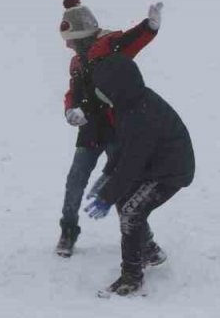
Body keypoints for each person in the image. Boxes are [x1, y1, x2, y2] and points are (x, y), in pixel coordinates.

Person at [82, 31, 195, 298]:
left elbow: (133, 162)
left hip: (170, 170)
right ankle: (149, 250)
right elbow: (124, 149)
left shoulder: (139, 115)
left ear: (116, 88)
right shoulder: (128, 103)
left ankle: (131, 277)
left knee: (131, 213)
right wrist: (108, 175)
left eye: (103, 91)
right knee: (126, 203)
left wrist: (108, 194)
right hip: (153, 164)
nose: (100, 96)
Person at [55, 0, 162, 258]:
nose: (67, 46)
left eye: (70, 40)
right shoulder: (77, 62)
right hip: (90, 131)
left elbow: (133, 39)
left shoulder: (110, 45)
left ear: (83, 35)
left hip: (118, 129)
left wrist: (149, 26)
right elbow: (73, 92)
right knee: (75, 181)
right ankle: (68, 230)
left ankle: (145, 242)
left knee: (122, 185)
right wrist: (71, 110)